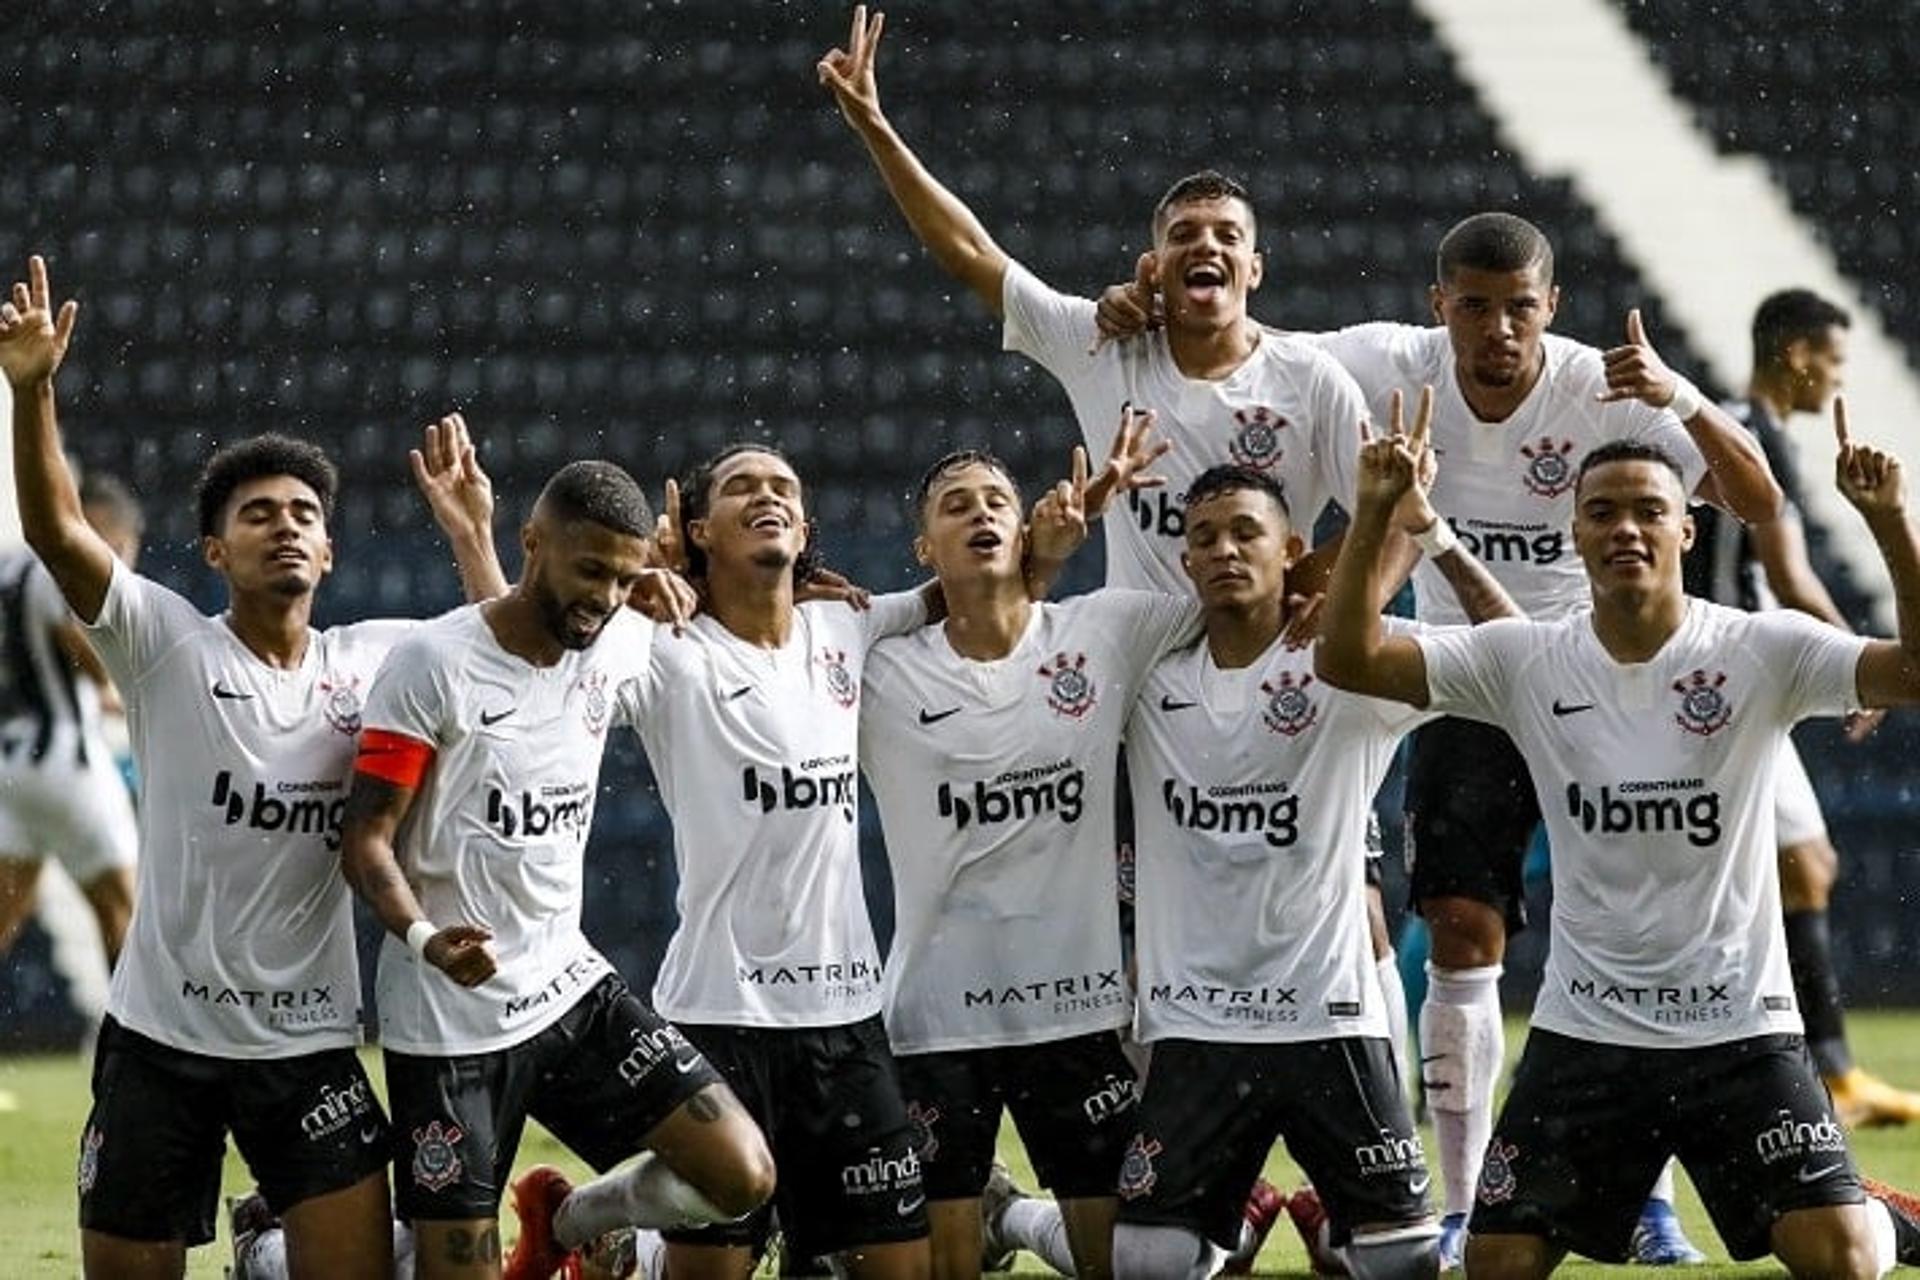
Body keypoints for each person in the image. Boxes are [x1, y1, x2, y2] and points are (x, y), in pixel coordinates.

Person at [1096, 211, 1782, 1264]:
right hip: (1466, 680)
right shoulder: (1386, 362)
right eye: (1475, 306)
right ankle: (1462, 1202)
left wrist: (1680, 393)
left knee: (1644, 925)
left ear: (1551, 309)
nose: (1498, 329)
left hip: (1605, 685)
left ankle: (1645, 1197)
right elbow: (1244, 346)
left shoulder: (1603, 385)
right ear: (1439, 307)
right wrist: (1147, 310)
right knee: (1463, 930)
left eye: (1520, 308)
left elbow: (1757, 496)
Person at [1315, 399, 1920, 1277]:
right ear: (1575, 533)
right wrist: (1374, 511)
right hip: (1587, 1036)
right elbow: (1348, 660)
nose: (1626, 528)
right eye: (1603, 512)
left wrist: (1890, 524)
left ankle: (1880, 1217)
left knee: (1842, 1263)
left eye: (1649, 511)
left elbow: (1911, 671)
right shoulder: (1526, 658)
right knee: (1499, 1266)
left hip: (1742, 1031)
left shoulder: (1759, 650)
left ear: (1686, 530)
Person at [0, 253, 505, 1280]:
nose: (285, 525)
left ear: (328, 556)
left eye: (304, 516)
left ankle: (264, 1251)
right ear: (213, 552)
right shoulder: (167, 645)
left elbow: (508, 654)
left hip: (308, 1046)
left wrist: (474, 538)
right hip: (160, 1044)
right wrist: (33, 389)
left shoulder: (378, 660)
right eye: (258, 513)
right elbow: (55, 530)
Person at [1115, 386, 1519, 1280]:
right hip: (1198, 1028)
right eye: (1206, 537)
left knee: (1406, 1266)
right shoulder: (1141, 674)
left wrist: (1427, 529)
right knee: (1143, 1265)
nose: (1224, 550)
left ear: (1292, 550)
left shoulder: (1354, 666)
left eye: (1246, 534)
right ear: (1182, 561)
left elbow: (1524, 654)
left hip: (1331, 1020)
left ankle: (1331, 1225)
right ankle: (1250, 1218)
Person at [339, 459, 775, 1280]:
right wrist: (428, 939)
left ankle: (569, 1224)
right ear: (533, 542)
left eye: (623, 576)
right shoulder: (429, 663)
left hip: (569, 989)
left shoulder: (616, 642)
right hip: (450, 1020)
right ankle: (271, 1249)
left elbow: (744, 612)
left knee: (740, 1175)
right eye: (590, 571)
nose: (607, 596)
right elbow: (363, 839)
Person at [538, 442, 939, 1280]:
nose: (769, 495)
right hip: (722, 1010)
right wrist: (628, 595)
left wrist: (1041, 544)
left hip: (844, 1015)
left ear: (805, 528)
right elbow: (531, 655)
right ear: (697, 531)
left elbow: (967, 597)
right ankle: (598, 1229)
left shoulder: (848, 622)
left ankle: (643, 1239)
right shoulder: (661, 649)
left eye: (785, 487)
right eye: (742, 487)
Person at [857, 437, 1197, 1279]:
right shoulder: (880, 670)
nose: (980, 513)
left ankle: (1017, 1217)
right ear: (922, 550)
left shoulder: (1104, 631)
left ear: (1029, 528)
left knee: (1123, 1263)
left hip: (1075, 1010)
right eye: (955, 505)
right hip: (937, 1018)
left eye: (996, 502)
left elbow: (1249, 595)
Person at [1684, 287, 1920, 1128]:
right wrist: (1856, 657)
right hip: (1734, 680)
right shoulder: (1759, 439)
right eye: (1832, 357)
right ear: (1794, 353)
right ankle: (1817, 1072)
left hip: (1720, 678)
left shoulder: (1730, 428)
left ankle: (1812, 1067)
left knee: (1794, 865)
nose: (1835, 376)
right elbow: (1787, 577)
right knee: (1792, 865)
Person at [0, 470, 144, 995]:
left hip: (10, 768)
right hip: (67, 763)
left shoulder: (9, 567)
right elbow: (78, 645)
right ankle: (145, 1061)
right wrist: (112, 679)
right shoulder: (64, 563)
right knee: (124, 913)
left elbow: (35, 663)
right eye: (124, 548)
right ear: (102, 528)